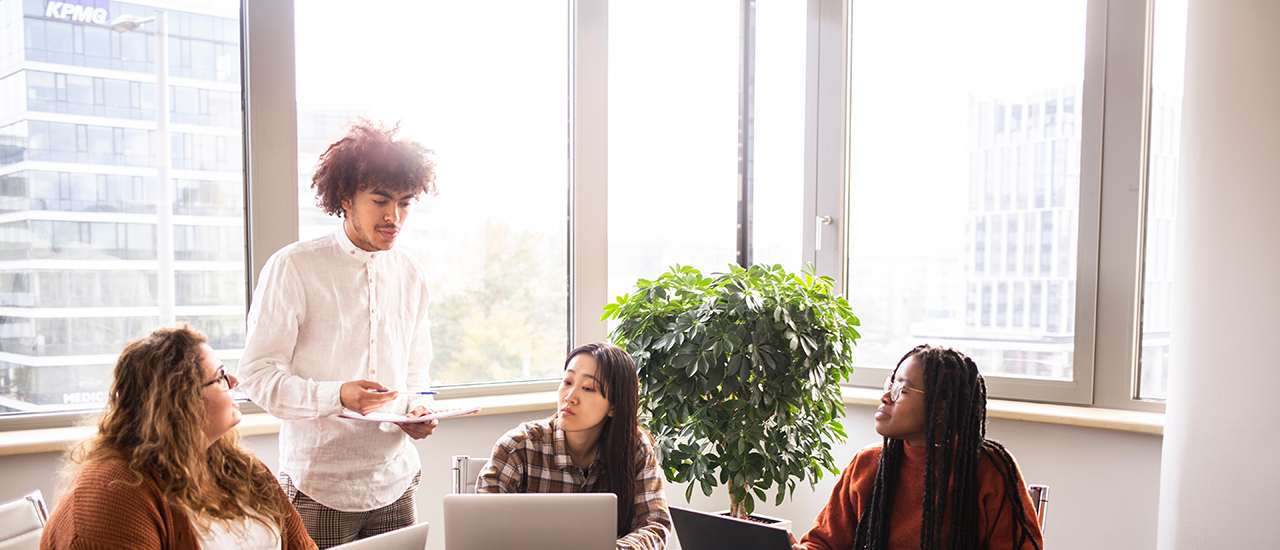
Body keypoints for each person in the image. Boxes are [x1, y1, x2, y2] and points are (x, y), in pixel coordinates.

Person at [237, 119, 439, 548]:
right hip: (319, 488)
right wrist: (338, 395)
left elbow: (417, 370)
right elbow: (258, 377)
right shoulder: (294, 267)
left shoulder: (411, 274)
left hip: (396, 482)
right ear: (345, 197)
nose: (394, 217)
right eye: (380, 200)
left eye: (405, 202)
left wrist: (417, 410)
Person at [40, 324, 316, 550]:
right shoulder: (113, 496)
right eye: (220, 375)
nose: (234, 381)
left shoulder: (239, 467)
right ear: (183, 400)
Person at [792, 345, 1044, 550]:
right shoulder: (867, 463)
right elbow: (822, 544)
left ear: (940, 408)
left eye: (901, 389)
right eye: (890, 384)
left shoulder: (989, 470)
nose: (886, 397)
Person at [476, 342, 671, 550]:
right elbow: (483, 529)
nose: (570, 397)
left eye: (587, 388)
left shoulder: (634, 448)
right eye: (567, 382)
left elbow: (654, 525)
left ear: (614, 405)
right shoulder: (519, 446)